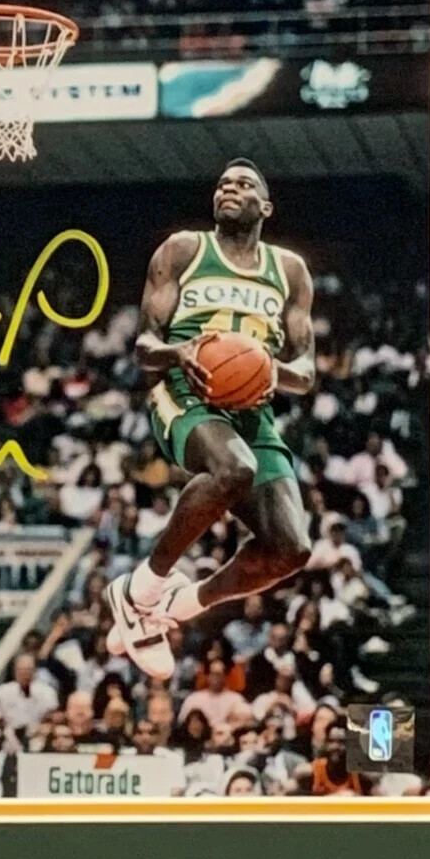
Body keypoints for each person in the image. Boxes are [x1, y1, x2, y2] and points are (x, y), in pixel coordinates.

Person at [106, 160, 314, 675]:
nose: (228, 189)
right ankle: (140, 589)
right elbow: (145, 345)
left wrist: (269, 371)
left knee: (290, 550)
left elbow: (306, 372)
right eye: (222, 184)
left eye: (243, 184)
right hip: (185, 392)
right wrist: (179, 353)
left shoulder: (289, 271)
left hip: (252, 409)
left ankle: (174, 608)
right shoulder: (183, 250)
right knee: (234, 469)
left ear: (265, 207)